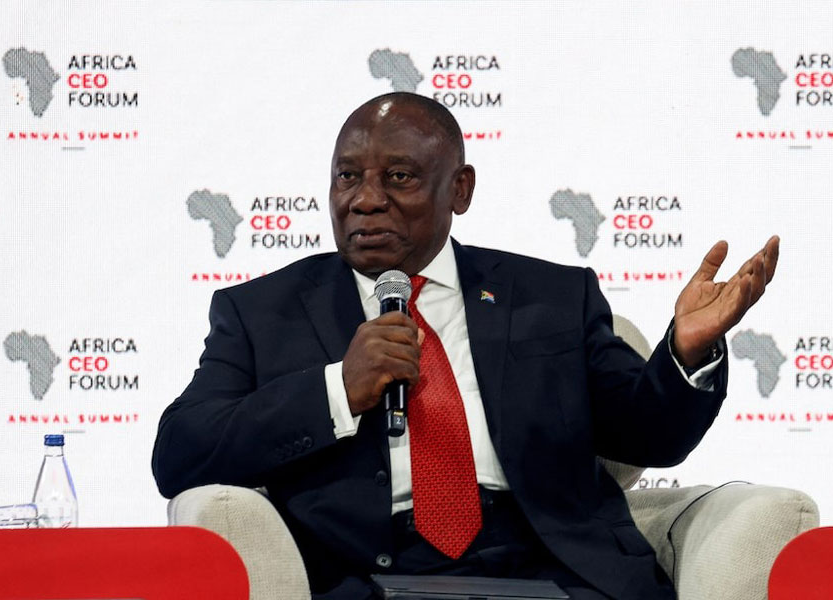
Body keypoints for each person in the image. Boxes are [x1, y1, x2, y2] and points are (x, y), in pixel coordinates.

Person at [152, 92, 779, 600]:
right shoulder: (263, 312)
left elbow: (648, 437)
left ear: (460, 190)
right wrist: (335, 390)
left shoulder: (553, 297)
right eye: (348, 176)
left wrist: (686, 353)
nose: (364, 200)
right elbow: (180, 454)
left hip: (549, 564)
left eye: (398, 177)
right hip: (359, 574)